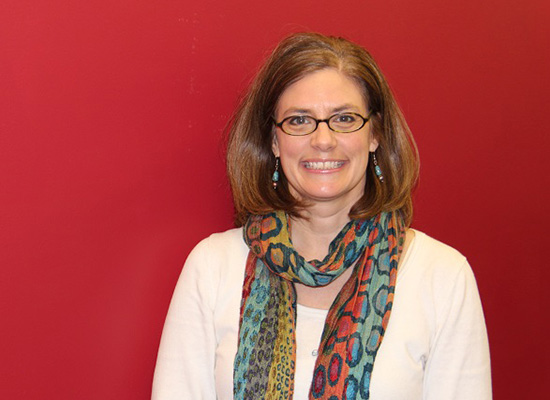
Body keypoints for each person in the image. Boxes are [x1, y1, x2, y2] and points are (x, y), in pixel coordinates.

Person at [152, 32, 491, 400]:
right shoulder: (212, 267)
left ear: (374, 134)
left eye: (344, 118)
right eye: (299, 121)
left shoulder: (442, 276)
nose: (323, 140)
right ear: (273, 141)